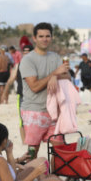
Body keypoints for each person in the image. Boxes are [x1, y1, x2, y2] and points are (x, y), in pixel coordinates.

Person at [19, 22, 70, 160]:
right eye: (41, 36)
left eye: (47, 36)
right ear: (34, 38)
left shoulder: (55, 57)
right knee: (32, 152)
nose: (45, 39)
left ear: (51, 38)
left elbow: (67, 79)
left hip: (54, 112)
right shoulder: (27, 60)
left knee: (60, 151)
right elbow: (34, 87)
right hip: (34, 111)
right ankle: (32, 179)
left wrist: (56, 76)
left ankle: (55, 179)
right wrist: (54, 74)